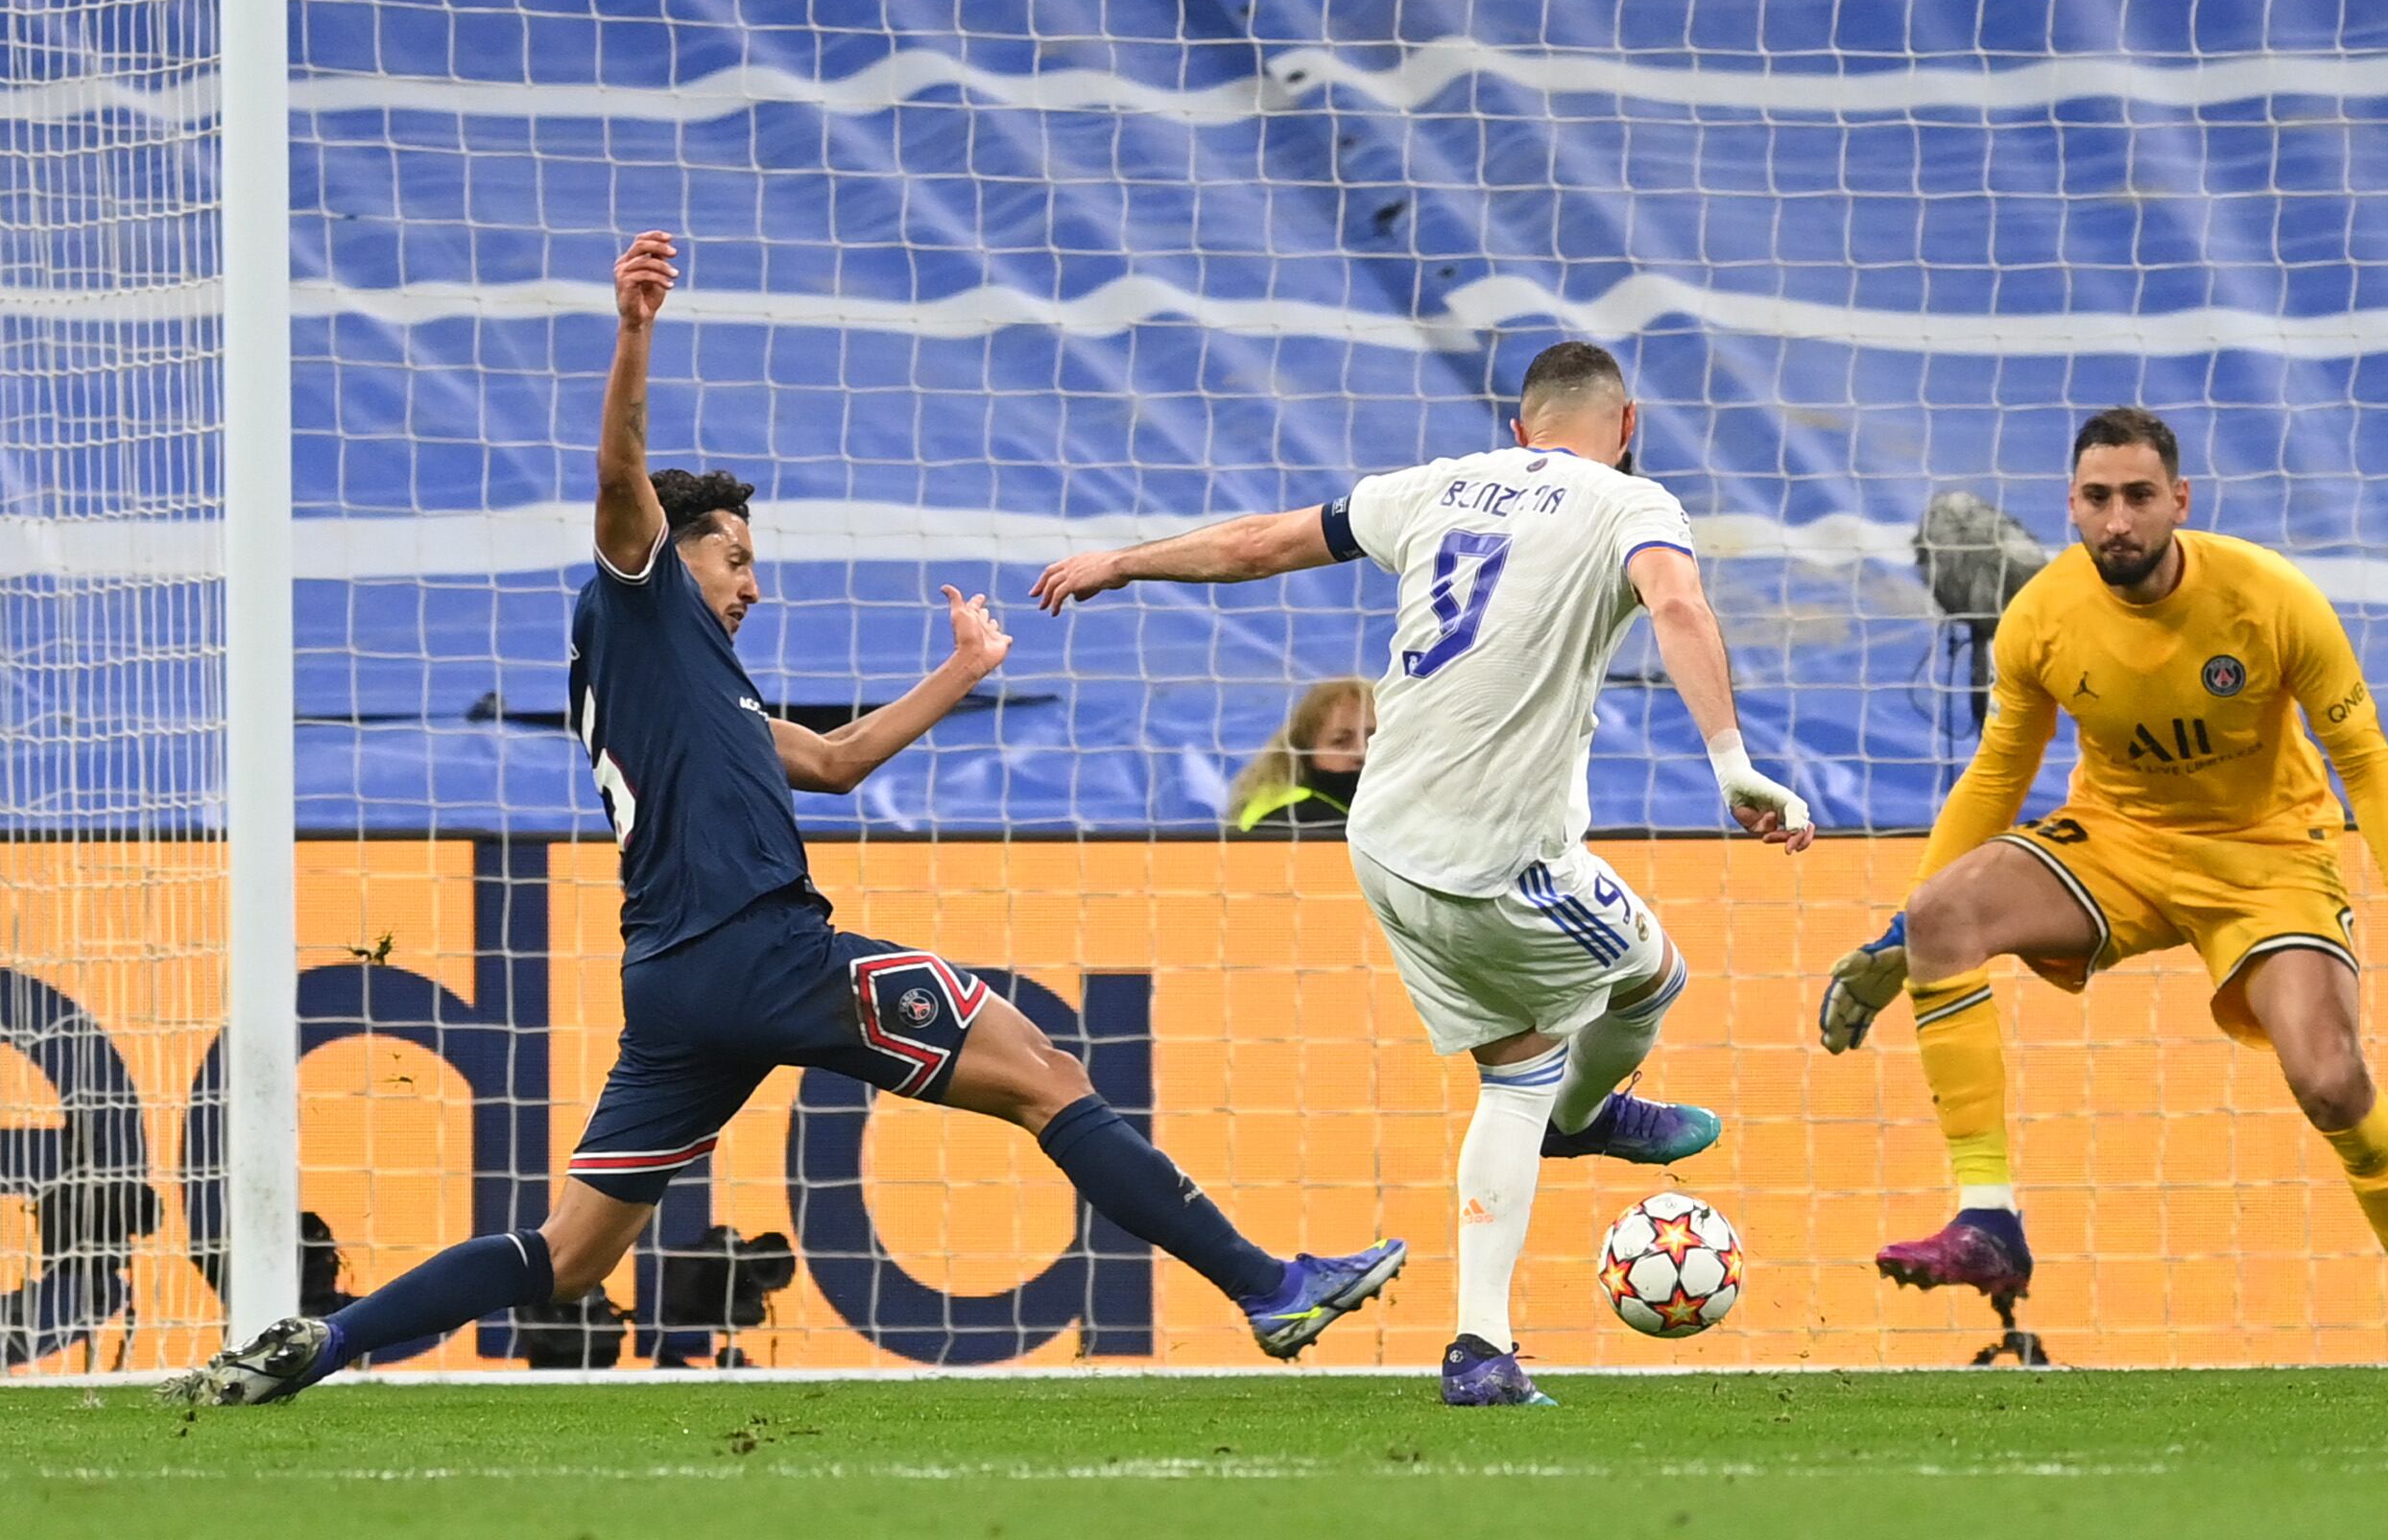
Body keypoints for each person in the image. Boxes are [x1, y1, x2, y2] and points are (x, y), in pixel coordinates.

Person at [171, 232, 1402, 1405]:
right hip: (766, 949)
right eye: (739, 559)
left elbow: (838, 760)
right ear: (678, 550)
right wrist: (636, 330)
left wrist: (962, 672)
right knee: (1047, 1074)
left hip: (674, 981)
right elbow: (619, 477)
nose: (754, 583)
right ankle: (1266, 1284)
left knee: (574, 1250)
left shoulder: (695, 684)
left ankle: (330, 1338)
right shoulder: (643, 598)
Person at [1036, 341, 1813, 1406]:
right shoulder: (1632, 503)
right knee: (1653, 978)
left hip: (1384, 845)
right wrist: (1734, 762)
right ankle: (1588, 1116)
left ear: (1517, 429)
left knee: (1515, 1068)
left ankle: (1479, 1350)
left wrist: (1121, 561)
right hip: (1495, 854)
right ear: (1626, 426)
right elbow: (1677, 605)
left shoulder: (1436, 484)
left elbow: (1265, 543)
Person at [1816, 406, 2388, 1368]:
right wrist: (1903, 929)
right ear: (2071, 505)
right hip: (2123, 840)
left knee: (2330, 1078)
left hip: (2270, 854)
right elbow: (1996, 776)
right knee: (1946, 913)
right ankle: (1989, 1218)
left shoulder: (2269, 597)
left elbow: (2363, 755)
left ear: (2179, 501)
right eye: (2098, 498)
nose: (2118, 520)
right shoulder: (2043, 618)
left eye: (2139, 496)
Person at [1228, 677, 1375, 834]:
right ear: (1304, 750)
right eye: (1340, 742)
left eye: (1375, 737)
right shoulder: (1302, 817)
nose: (1362, 752)